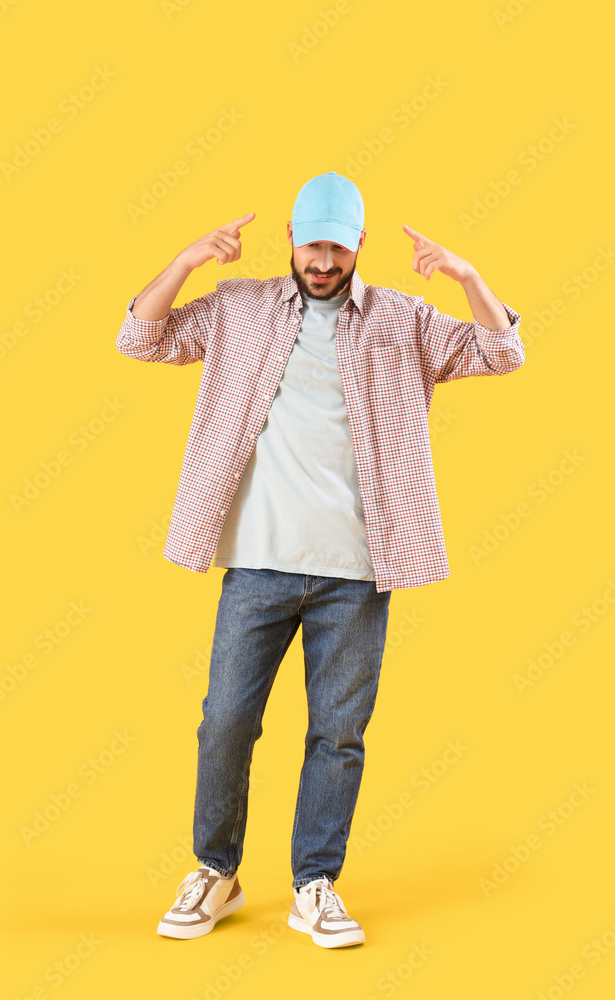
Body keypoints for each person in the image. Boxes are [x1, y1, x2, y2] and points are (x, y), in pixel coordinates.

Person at [115, 171, 525, 949]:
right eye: (312, 245)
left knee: (338, 733)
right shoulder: (239, 311)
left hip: (359, 572)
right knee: (225, 722)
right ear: (293, 242)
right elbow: (140, 336)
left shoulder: (403, 320)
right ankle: (216, 872)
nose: (324, 260)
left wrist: (468, 276)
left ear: (359, 244)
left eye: (338, 246)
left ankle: (314, 885)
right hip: (258, 564)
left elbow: (500, 353)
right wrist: (186, 261)